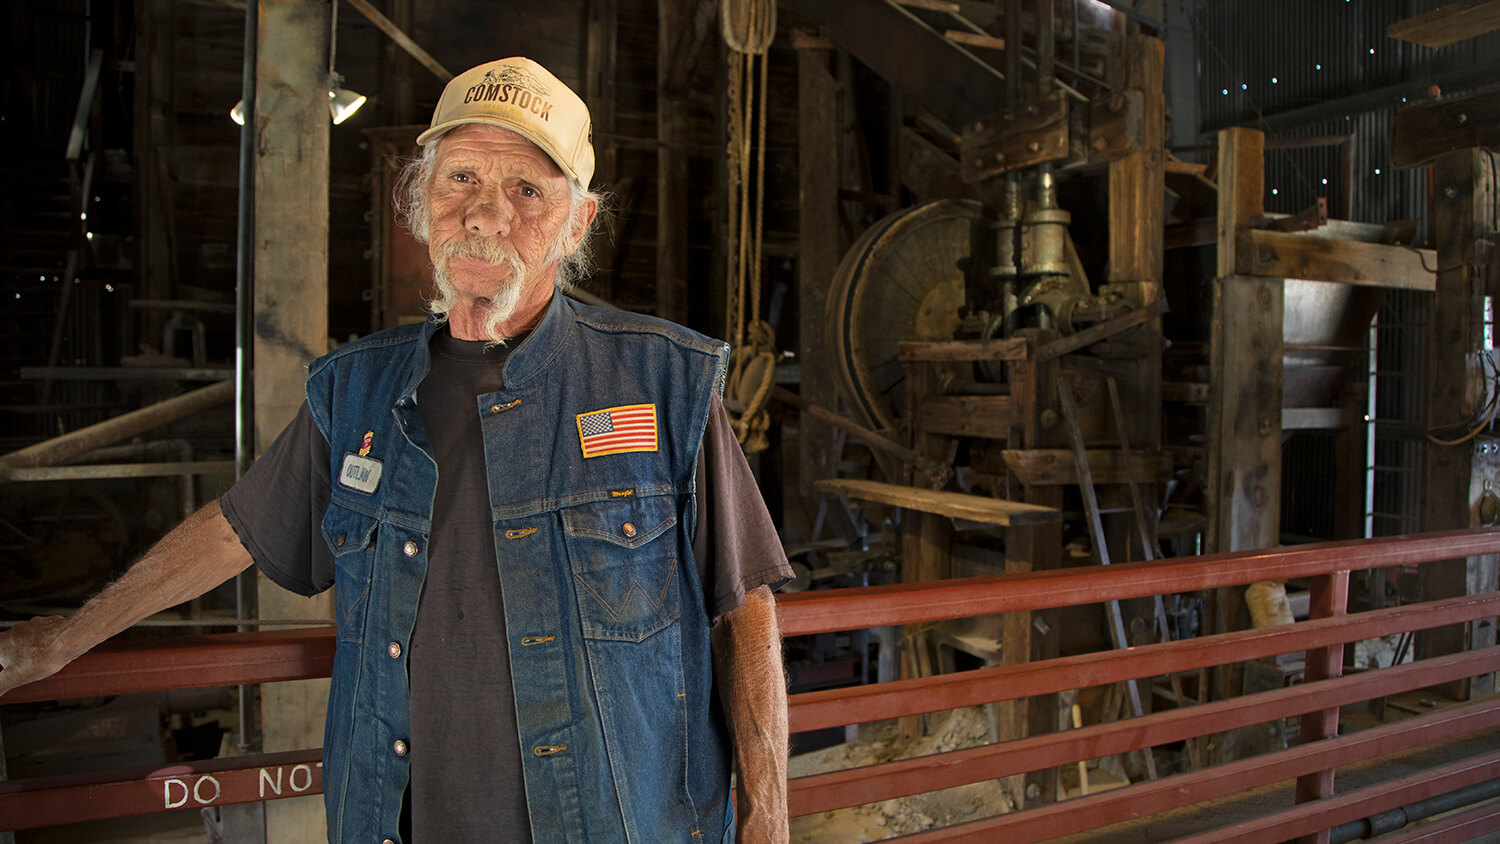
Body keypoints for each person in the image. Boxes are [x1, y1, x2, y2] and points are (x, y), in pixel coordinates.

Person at [0, 56, 792, 844]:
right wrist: (69, 638)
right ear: (420, 201)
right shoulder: (357, 391)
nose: (486, 215)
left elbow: (745, 606)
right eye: (460, 181)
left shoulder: (662, 380)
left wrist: (767, 820)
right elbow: (238, 530)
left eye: (526, 190)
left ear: (577, 221)